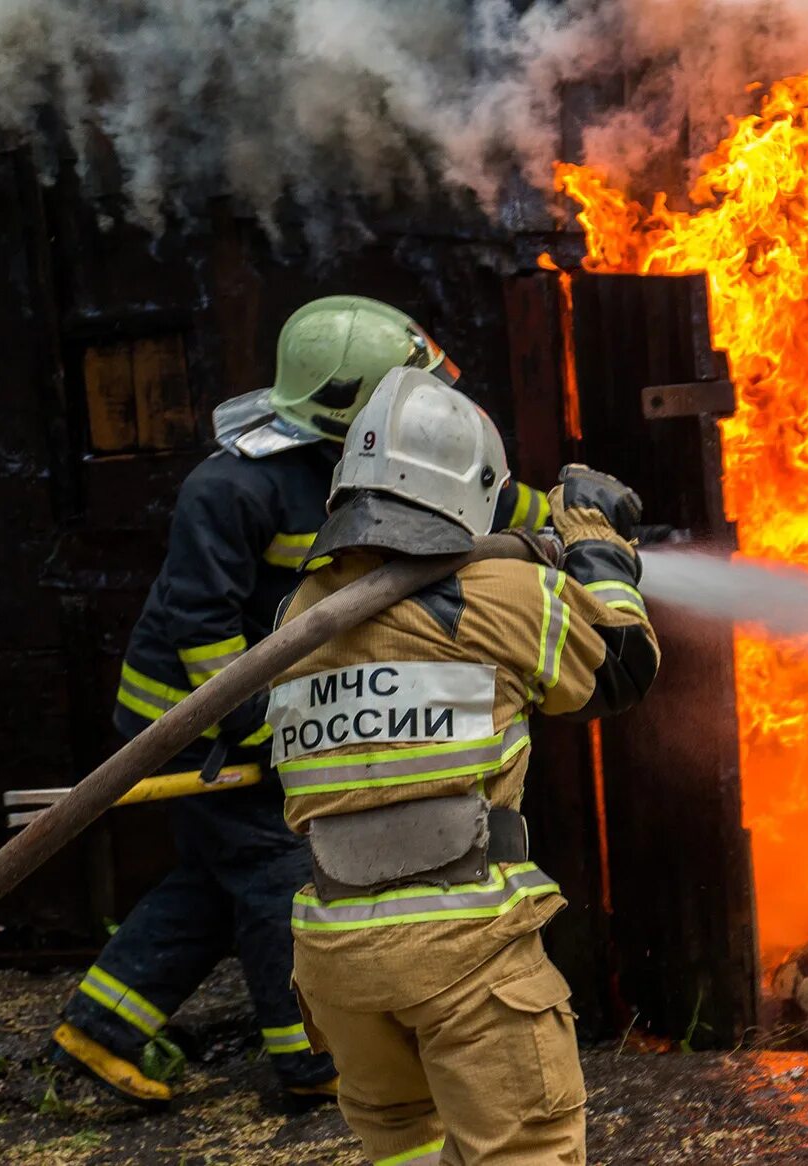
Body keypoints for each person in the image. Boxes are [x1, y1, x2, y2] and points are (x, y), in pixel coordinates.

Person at [52, 296, 547, 1107]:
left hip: (263, 713)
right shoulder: (232, 490)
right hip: (188, 725)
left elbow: (475, 498)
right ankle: (311, 1062)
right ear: (354, 405)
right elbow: (198, 621)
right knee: (282, 877)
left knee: (217, 882)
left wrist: (561, 519)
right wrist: (252, 721)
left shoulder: (361, 460)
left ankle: (99, 1027)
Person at [269, 367, 660, 1164]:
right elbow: (623, 665)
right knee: (525, 1148)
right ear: (475, 492)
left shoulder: (299, 616)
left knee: (408, 1147)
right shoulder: (496, 597)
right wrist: (599, 552)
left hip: (337, 959)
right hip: (462, 953)